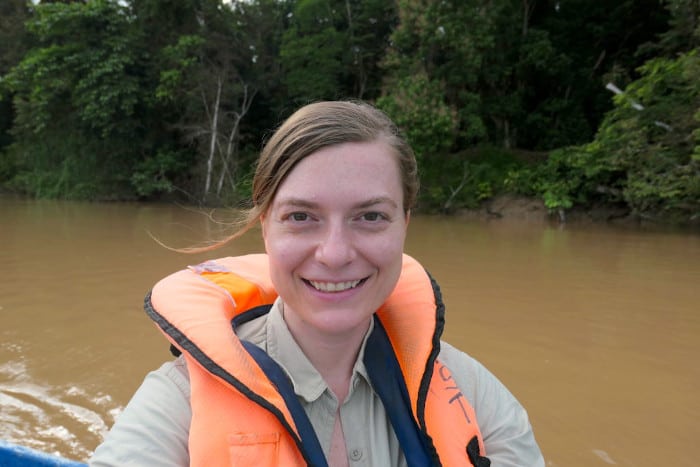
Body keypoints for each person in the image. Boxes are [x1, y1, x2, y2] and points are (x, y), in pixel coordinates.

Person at [89, 100, 544, 466]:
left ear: (404, 225)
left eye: (370, 216)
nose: (335, 253)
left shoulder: (474, 394)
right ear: (266, 226)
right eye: (302, 217)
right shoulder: (179, 402)